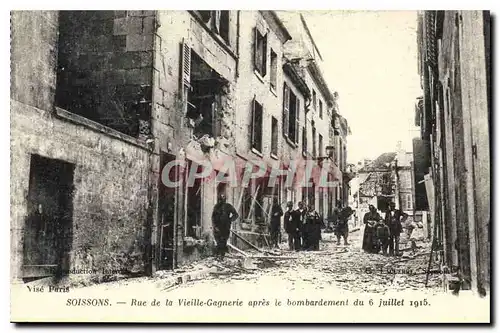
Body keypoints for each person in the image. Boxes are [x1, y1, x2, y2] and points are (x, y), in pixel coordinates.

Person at [211, 194, 239, 260]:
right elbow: (213, 217)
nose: (222, 200)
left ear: (225, 199)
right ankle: (217, 255)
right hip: (217, 227)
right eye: (221, 198)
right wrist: (214, 226)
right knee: (218, 241)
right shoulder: (216, 207)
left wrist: (230, 220)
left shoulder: (228, 206)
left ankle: (221, 256)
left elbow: (236, 214)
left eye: (223, 198)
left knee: (223, 241)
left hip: (225, 227)